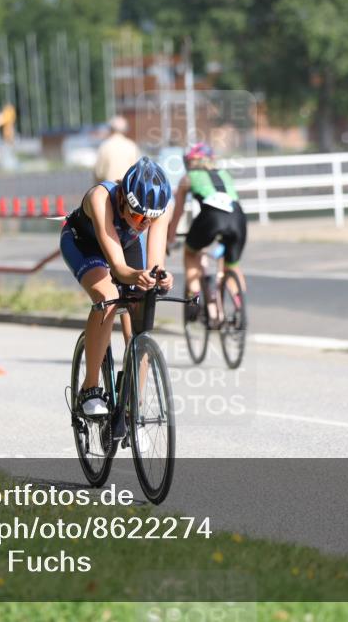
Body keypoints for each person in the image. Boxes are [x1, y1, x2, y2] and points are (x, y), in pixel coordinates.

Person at [60, 156, 174, 419]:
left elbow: (155, 264)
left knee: (140, 318)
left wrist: (160, 277)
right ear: (123, 197)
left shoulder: (157, 210)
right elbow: (120, 270)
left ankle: (136, 407)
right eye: (136, 215)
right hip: (85, 244)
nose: (142, 223)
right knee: (108, 297)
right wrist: (136, 275)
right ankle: (89, 389)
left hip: (125, 246)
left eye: (149, 219)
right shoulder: (100, 199)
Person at [167, 143, 247, 314]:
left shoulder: (187, 178)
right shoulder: (225, 174)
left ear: (188, 162)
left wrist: (170, 237)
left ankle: (194, 297)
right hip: (238, 218)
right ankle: (239, 307)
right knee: (232, 265)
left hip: (211, 218)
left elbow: (178, 213)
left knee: (190, 253)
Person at [93, 116, 140, 186]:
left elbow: (98, 173)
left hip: (108, 188)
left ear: (111, 129)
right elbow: (137, 171)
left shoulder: (105, 146)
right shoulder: (132, 146)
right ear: (125, 130)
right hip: (126, 189)